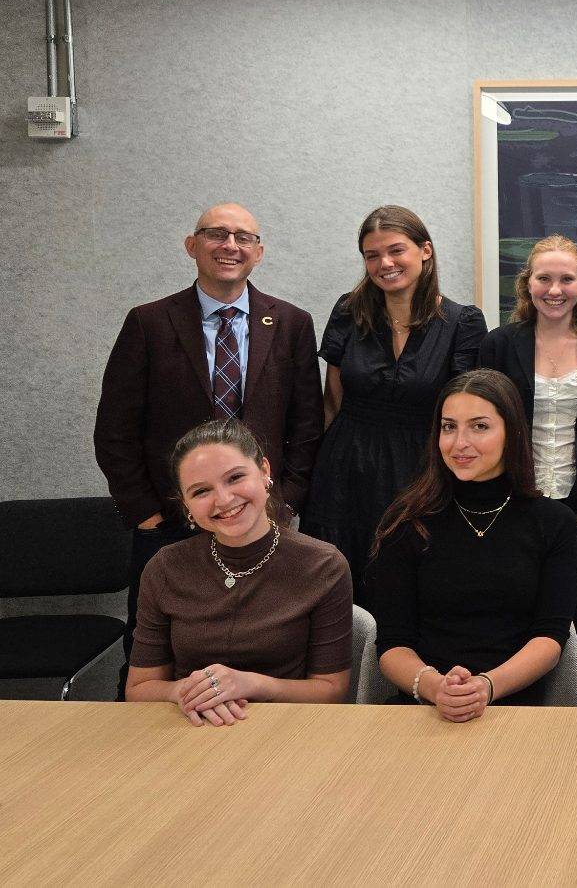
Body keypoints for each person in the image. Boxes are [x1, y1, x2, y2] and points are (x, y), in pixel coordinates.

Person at [95, 202, 323, 699]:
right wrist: (147, 515)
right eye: (217, 234)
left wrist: (287, 500)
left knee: (268, 646)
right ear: (191, 245)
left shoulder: (290, 323)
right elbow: (114, 431)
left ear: (259, 252)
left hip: (262, 523)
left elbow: (307, 425)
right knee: (155, 657)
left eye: (244, 237)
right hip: (170, 527)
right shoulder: (149, 323)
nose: (231, 246)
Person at [300, 206, 486, 599]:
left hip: (422, 472)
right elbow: (330, 403)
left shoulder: (463, 323)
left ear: (425, 251)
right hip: (345, 472)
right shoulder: (348, 312)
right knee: (339, 591)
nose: (384, 263)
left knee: (412, 587)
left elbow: (465, 417)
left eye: (396, 250)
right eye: (372, 255)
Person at [479, 235, 577, 706]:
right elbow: (485, 433)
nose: (554, 289)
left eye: (566, 279)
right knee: (515, 629)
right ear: (527, 286)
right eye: (543, 278)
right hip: (512, 514)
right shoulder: (499, 346)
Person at [370, 370, 577, 715]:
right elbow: (393, 645)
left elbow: (550, 637)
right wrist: (437, 688)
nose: (459, 443)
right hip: (423, 708)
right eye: (449, 426)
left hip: (516, 708)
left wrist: (485, 686)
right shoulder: (405, 522)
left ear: (511, 432)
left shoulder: (554, 523)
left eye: (479, 426)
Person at [125, 418, 351, 724]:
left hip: (288, 728)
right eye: (201, 491)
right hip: (188, 726)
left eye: (235, 478)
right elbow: (139, 688)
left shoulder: (323, 565)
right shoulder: (164, 568)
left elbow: (331, 691)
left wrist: (251, 684)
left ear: (265, 472)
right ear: (186, 505)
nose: (224, 499)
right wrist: (183, 692)